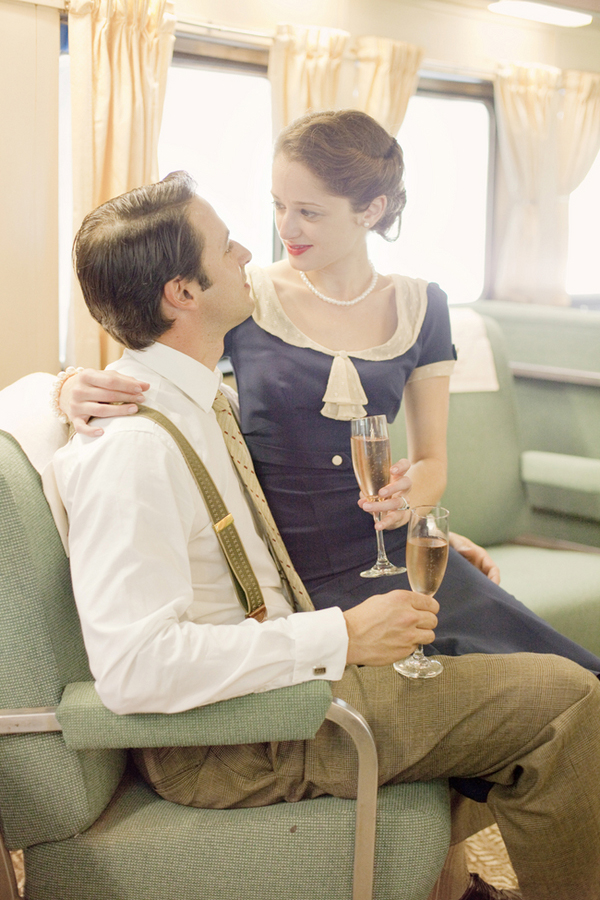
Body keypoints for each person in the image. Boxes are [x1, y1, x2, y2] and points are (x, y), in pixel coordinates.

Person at [53, 171, 600, 900]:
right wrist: (340, 635)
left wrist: (55, 386)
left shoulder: (196, 402)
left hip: (264, 692)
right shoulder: (132, 448)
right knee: (567, 700)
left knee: (487, 664)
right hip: (232, 737)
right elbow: (134, 669)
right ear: (182, 293)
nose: (248, 253)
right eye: (227, 245)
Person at [57, 109, 600, 676]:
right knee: (520, 688)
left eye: (309, 212)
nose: (285, 228)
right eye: (278, 205)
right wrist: (67, 386)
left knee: (570, 674)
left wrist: (414, 512)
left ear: (371, 210)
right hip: (301, 572)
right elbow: (159, 362)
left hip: (390, 550)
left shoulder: (423, 307)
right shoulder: (244, 296)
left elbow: (432, 461)